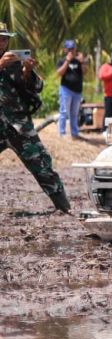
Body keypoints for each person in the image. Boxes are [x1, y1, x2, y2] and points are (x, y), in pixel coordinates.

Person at [0, 24, 70, 212]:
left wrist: (27, 71)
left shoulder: (14, 62)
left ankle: (64, 209)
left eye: (5, 38)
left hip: (18, 126)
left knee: (41, 163)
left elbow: (38, 86)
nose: (2, 42)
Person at [55, 40, 87, 139]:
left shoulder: (79, 61)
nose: (71, 51)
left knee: (75, 113)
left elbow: (85, 72)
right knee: (64, 111)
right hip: (66, 89)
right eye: (69, 49)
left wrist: (82, 62)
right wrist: (67, 61)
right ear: (65, 50)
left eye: (72, 49)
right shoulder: (61, 60)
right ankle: (62, 132)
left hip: (77, 91)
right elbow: (59, 73)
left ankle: (75, 133)